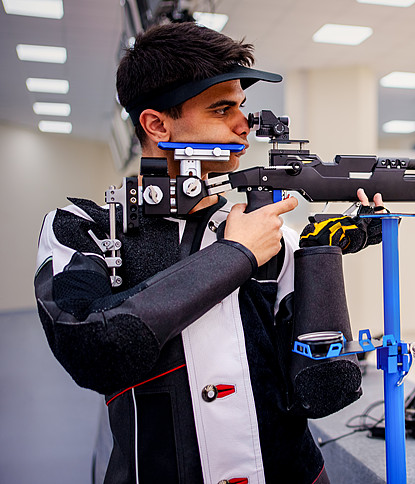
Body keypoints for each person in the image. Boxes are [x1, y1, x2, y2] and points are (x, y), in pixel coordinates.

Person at [34, 21, 381, 484]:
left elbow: (325, 392)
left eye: (242, 107)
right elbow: (94, 353)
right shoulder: (86, 226)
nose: (243, 126)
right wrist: (236, 253)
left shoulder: (272, 233)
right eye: (221, 110)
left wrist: (320, 254)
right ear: (156, 124)